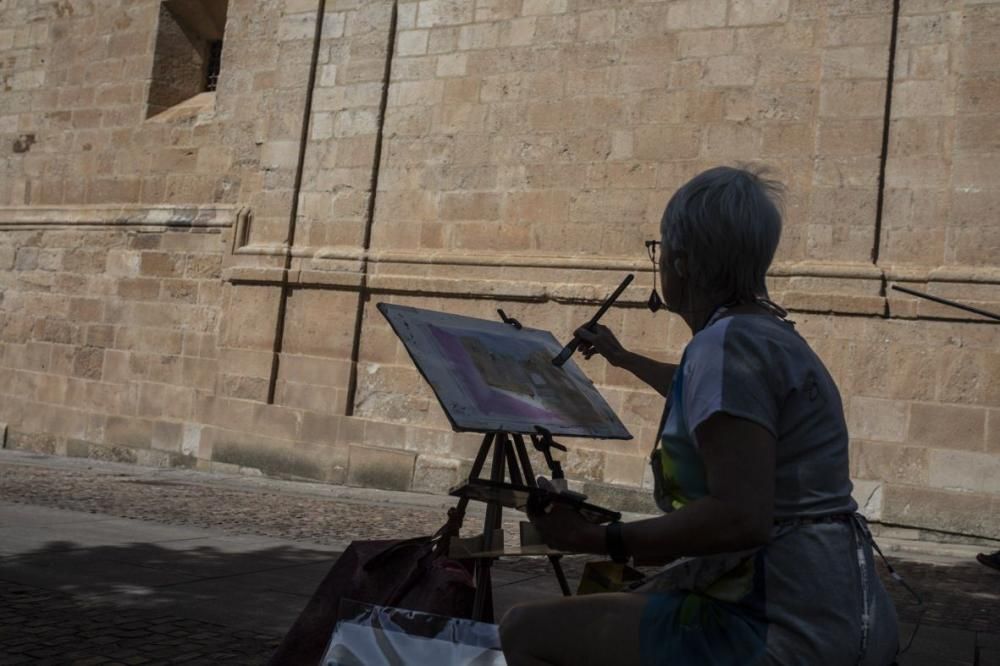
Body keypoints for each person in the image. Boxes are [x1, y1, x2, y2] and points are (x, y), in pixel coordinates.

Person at [499, 166, 900, 666]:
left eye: (660, 248)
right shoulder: (765, 334)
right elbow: (724, 407)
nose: (659, 260)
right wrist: (622, 358)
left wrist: (600, 539)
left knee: (526, 631)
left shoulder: (725, 346)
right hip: (840, 605)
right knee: (601, 596)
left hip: (782, 621)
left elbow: (740, 517)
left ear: (682, 262)